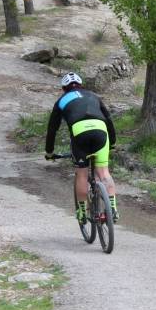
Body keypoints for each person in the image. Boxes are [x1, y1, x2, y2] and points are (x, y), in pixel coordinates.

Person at [45, 72, 119, 223]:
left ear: (64, 88)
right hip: (100, 130)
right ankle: (112, 209)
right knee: (104, 173)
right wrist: (112, 142)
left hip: (80, 133)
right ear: (81, 85)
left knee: (82, 175)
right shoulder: (93, 96)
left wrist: (49, 151)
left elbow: (52, 129)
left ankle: (82, 212)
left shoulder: (61, 100)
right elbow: (108, 119)